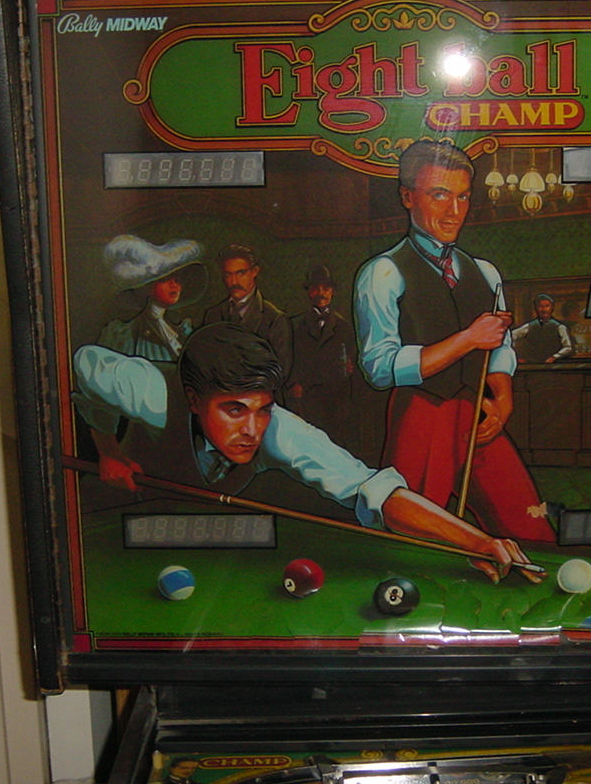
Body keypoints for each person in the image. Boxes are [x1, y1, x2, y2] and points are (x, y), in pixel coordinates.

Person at [73, 322, 540, 583]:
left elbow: (374, 491)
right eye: (234, 410)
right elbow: (83, 365)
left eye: (262, 409)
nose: (252, 430)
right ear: (193, 400)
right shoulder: (145, 390)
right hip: (121, 521)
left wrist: (477, 542)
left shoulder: (280, 433)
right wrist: (108, 448)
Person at [353, 139, 556, 543]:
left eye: (463, 197)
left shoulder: (486, 272)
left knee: (530, 528)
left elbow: (500, 347)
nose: (454, 211)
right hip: (421, 418)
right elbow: (379, 368)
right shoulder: (382, 273)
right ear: (407, 197)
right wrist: (467, 339)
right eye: (439, 195)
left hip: (478, 415)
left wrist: (503, 398)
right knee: (417, 538)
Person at [97, 234, 207, 362]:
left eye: (178, 279)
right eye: (165, 279)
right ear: (148, 285)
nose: (175, 285)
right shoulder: (126, 334)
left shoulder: (181, 330)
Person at [285, 264, 357, 447]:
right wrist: (294, 383)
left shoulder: (343, 326)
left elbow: (353, 359)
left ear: (332, 292)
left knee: (336, 442)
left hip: (336, 396)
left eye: (325, 288)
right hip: (307, 396)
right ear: (309, 292)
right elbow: (287, 358)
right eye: (315, 288)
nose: (321, 293)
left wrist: (351, 366)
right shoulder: (294, 325)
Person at [201, 243, 293, 381]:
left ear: (254, 271)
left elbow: (281, 372)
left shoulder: (275, 319)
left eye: (240, 273)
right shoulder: (212, 315)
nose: (234, 281)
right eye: (227, 275)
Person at [512, 293, 574, 364]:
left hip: (553, 366)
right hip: (532, 366)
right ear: (536, 308)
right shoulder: (530, 326)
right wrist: (517, 356)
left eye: (547, 306)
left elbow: (568, 347)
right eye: (540, 306)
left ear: (552, 307)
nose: (544, 309)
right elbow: (510, 337)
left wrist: (554, 357)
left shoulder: (560, 327)